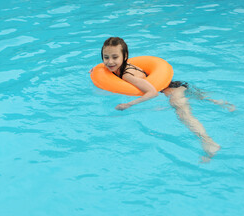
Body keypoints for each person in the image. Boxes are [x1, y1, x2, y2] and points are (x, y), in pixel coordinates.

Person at [91, 37, 235, 162]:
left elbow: (152, 92)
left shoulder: (126, 75)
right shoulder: (116, 68)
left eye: (115, 57)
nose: (110, 61)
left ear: (125, 56)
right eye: (106, 57)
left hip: (172, 91)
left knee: (185, 116)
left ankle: (209, 143)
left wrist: (129, 104)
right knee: (201, 97)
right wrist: (96, 70)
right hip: (177, 84)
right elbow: (104, 70)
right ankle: (221, 103)